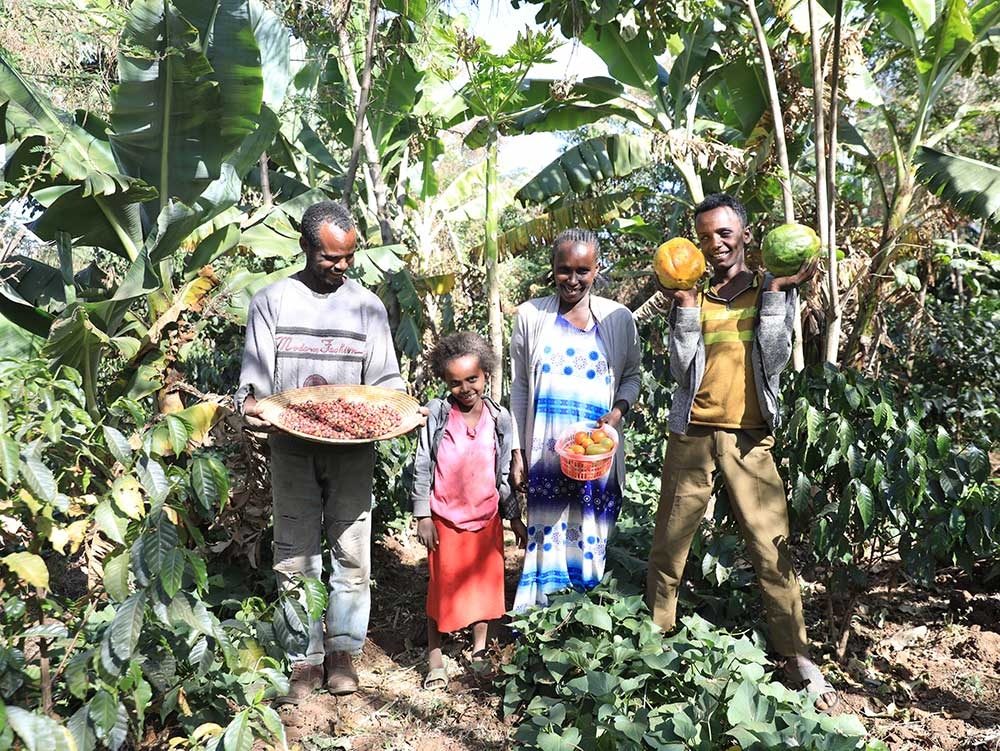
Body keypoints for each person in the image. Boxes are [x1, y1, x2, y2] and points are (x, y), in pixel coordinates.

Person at [644, 193, 838, 710]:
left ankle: (796, 657)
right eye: (705, 236)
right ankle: (652, 642)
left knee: (773, 549)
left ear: (746, 235)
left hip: (750, 438)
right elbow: (680, 369)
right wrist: (683, 311)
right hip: (693, 435)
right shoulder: (694, 293)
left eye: (725, 233)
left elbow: (774, 361)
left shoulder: (769, 291)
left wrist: (776, 293)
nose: (716, 244)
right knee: (669, 545)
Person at [236, 200, 406, 703]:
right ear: (307, 248)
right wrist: (252, 405)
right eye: (331, 257)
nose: (342, 266)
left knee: (352, 553)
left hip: (353, 450)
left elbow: (385, 382)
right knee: (294, 554)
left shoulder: (367, 307)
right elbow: (254, 381)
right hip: (290, 445)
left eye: (349, 257)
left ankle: (343, 652)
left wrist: (402, 410)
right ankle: (302, 658)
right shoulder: (273, 300)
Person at [509, 228, 642, 611]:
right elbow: (520, 386)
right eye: (564, 269)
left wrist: (617, 413)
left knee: (590, 536)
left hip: (596, 457)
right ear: (552, 269)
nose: (572, 279)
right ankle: (539, 622)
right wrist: (518, 451)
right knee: (545, 537)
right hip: (546, 454)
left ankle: (581, 625)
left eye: (582, 270)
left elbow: (633, 375)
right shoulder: (532, 316)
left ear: (596, 269)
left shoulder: (617, 319)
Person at [409, 332, 528, 689]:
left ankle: (478, 651)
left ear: (486, 375)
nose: (465, 389)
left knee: (485, 588)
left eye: (472, 379)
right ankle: (435, 654)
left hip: (486, 518)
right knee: (441, 588)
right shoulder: (438, 415)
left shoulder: (500, 418)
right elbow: (422, 465)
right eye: (456, 382)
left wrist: (514, 517)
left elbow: (505, 471)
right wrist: (422, 514)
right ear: (447, 383)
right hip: (445, 519)